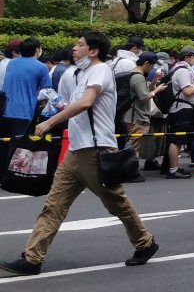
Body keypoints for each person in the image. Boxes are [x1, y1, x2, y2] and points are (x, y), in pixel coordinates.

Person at [0, 32, 159, 276]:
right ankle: (32, 259)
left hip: (96, 151)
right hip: (76, 151)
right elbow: (70, 104)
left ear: (93, 51)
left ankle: (145, 242)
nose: (74, 48)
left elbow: (86, 103)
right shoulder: (78, 73)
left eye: (80, 45)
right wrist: (51, 102)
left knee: (116, 202)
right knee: (53, 206)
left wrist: (50, 122)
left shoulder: (100, 71)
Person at [164, 46, 194, 179]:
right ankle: (173, 170)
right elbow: (188, 91)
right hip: (181, 109)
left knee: (178, 140)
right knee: (176, 140)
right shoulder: (183, 71)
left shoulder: (180, 69)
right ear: (187, 57)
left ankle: (174, 168)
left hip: (182, 108)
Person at [1, 37, 50, 139]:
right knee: (18, 147)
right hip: (24, 112)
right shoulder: (42, 67)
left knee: (3, 145)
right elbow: (46, 92)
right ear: (37, 50)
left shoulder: (11, 63)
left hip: (5, 110)